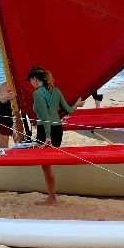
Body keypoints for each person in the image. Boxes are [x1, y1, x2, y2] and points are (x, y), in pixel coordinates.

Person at [28, 66, 85, 206]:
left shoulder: (37, 94)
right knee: (47, 165)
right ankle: (51, 197)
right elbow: (68, 110)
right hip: (58, 130)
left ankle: (52, 198)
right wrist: (77, 104)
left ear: (35, 79)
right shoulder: (57, 91)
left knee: (46, 166)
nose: (30, 83)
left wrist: (47, 137)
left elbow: (46, 117)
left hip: (46, 131)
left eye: (30, 80)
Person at [0, 81, 15, 148]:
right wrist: (8, 97)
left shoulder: (20, 85)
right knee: (3, 148)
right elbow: (2, 99)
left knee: (21, 145)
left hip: (17, 117)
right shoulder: (4, 85)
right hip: (3, 118)